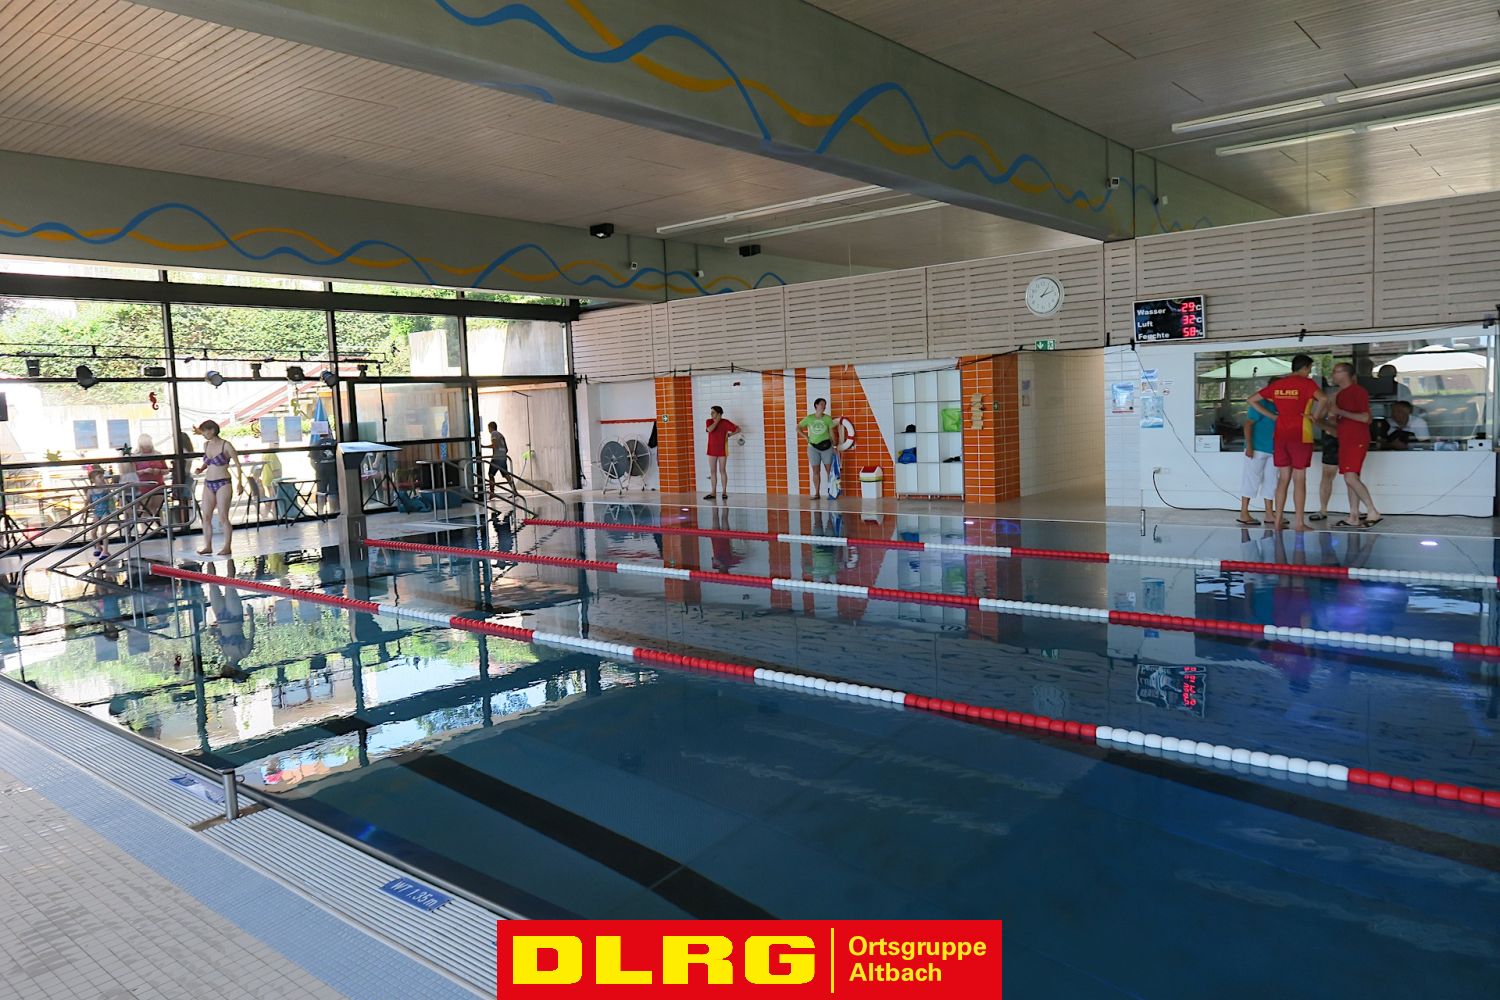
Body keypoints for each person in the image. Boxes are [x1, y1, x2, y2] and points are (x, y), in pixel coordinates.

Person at [1248, 354, 1327, 533]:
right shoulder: (1307, 384)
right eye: (1309, 369)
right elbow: (1324, 399)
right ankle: (1299, 522)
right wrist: (1315, 417)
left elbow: (1251, 400)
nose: (1309, 373)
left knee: (1283, 479)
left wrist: (1273, 416)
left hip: (1280, 435)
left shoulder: (1278, 384)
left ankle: (1277, 521)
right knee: (1299, 479)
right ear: (1305, 367)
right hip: (1301, 435)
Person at [1327, 362, 1382, 528]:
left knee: (1350, 477)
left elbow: (1365, 418)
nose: (1333, 374)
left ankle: (1372, 511)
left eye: (1336, 371)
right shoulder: (1339, 395)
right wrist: (1328, 417)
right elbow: (1337, 420)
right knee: (1351, 478)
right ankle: (1353, 515)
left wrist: (1339, 412)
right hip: (1345, 439)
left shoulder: (1358, 391)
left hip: (1356, 439)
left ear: (1346, 374)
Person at [193, 420, 239, 556]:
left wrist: (240, 483)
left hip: (223, 482)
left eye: (205, 431)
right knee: (206, 515)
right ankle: (208, 546)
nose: (203, 435)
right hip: (209, 482)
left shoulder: (226, 445)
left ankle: (227, 546)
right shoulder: (206, 445)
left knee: (223, 516)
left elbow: (238, 464)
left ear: (212, 430)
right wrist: (201, 469)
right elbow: (209, 463)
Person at [1237, 380, 1277, 526]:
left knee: (1271, 482)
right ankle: (1244, 512)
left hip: (1274, 449)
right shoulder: (1259, 402)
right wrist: (1249, 446)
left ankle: (1269, 513)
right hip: (1257, 448)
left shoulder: (1279, 405)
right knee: (1251, 480)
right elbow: (1248, 424)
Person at [798, 397, 842, 499]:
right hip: (813, 448)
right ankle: (817, 493)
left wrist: (835, 446)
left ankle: (831, 492)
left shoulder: (827, 418)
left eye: (824, 404)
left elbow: (831, 433)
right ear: (816, 405)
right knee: (815, 471)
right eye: (821, 404)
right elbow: (798, 427)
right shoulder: (809, 418)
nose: (824, 406)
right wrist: (806, 437)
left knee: (829, 471)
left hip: (827, 447)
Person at [703, 405, 739, 501]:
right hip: (711, 450)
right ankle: (713, 492)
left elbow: (738, 429)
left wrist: (730, 435)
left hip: (722, 450)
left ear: (719, 414)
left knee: (722, 470)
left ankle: (724, 492)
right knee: (713, 471)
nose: (711, 414)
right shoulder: (709, 421)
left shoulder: (725, 422)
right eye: (711, 412)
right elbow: (709, 430)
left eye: (713, 412)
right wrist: (717, 421)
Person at [134, 434, 169, 527]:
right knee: (145, 509)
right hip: (143, 487)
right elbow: (132, 473)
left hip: (158, 486)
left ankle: (160, 527)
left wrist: (159, 471)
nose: (147, 446)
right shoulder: (135, 456)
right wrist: (144, 471)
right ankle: (146, 528)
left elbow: (166, 470)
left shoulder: (158, 454)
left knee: (157, 508)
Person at [85, 464, 113, 560]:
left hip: (106, 511)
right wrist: (85, 508)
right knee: (93, 532)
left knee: (103, 531)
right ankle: (98, 546)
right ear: (93, 480)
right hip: (97, 512)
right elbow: (87, 501)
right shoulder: (91, 490)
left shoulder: (105, 488)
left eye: (102, 477)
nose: (102, 479)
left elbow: (111, 493)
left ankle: (105, 550)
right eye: (100, 477)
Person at [311, 432, 338, 514]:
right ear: (329, 433)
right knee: (333, 491)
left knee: (320, 492)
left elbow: (312, 461)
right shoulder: (334, 443)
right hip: (333, 470)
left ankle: (320, 512)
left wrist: (317, 469)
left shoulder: (316, 444)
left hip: (320, 472)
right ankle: (332, 511)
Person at [486, 421, 515, 492]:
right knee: (506, 475)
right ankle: (514, 491)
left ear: (491, 427)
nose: (488, 430)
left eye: (488, 428)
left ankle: (492, 493)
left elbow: (494, 445)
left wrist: (483, 446)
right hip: (503, 457)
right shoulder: (501, 435)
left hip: (496, 458)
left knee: (491, 474)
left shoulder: (493, 433)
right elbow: (506, 449)